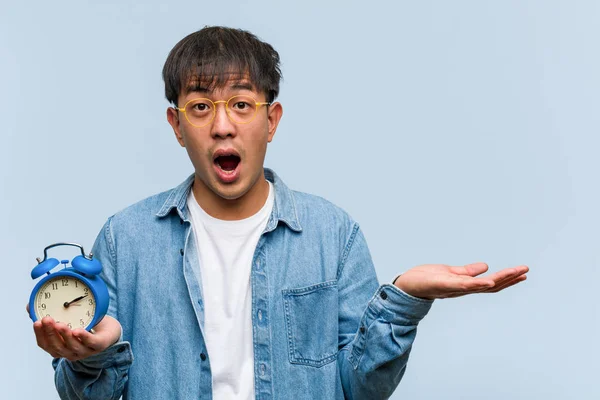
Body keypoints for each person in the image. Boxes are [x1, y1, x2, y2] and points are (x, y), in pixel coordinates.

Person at [30, 26, 528, 400]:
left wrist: (403, 300)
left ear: (272, 120)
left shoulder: (334, 234)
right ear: (176, 126)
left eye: (242, 105)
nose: (222, 126)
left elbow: (358, 388)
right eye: (200, 107)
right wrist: (94, 357)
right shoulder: (124, 239)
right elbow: (85, 395)